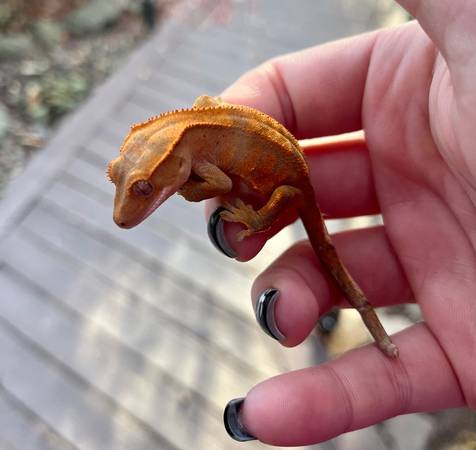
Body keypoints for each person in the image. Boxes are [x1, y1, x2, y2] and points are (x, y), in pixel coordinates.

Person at [206, 0, 476, 445]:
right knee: (322, 264)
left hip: (290, 184)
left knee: (319, 253)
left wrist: (256, 218)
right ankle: (360, 320)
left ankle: (360, 319)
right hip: (285, 172)